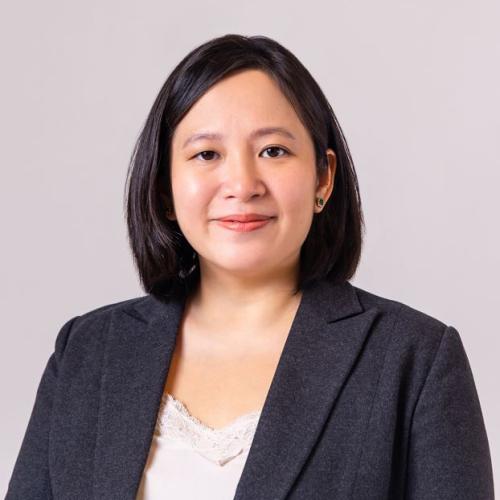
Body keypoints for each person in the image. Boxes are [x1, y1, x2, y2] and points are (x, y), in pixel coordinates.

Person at [6, 34, 494, 500]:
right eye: (207, 154)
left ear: (323, 178)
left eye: (273, 151)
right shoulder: (87, 352)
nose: (242, 184)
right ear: (165, 189)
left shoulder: (415, 359)